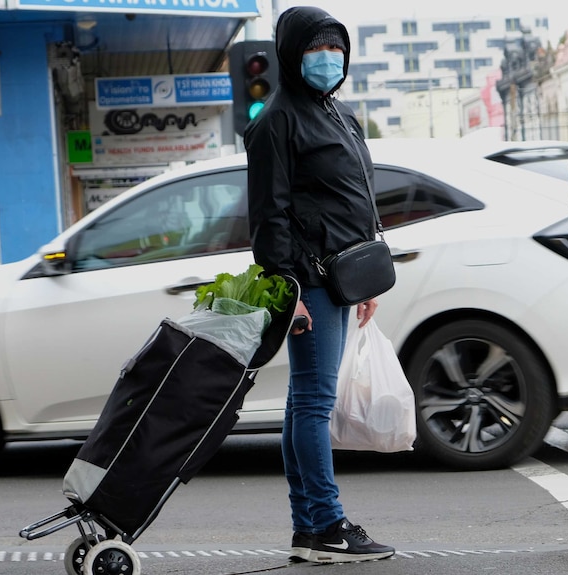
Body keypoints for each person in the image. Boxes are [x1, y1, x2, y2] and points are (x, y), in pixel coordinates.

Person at [244, 5, 395, 565]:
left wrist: (364, 275)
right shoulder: (277, 119)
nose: (328, 58)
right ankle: (329, 523)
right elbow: (270, 214)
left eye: (336, 48)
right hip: (307, 278)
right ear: (291, 53)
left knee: (301, 403)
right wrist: (290, 287)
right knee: (312, 402)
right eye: (315, 48)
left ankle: (309, 530)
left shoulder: (337, 113)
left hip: (341, 275)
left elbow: (349, 196)